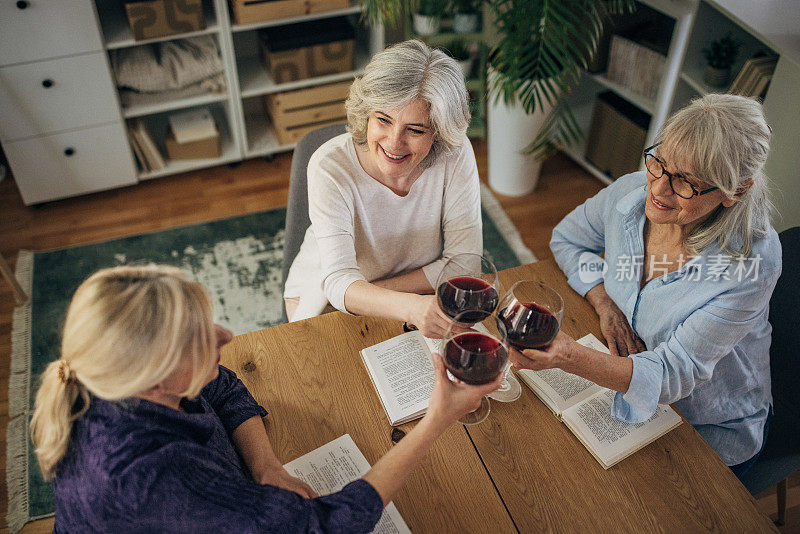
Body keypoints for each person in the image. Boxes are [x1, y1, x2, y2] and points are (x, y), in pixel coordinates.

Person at [30, 265, 501, 532]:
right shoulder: (152, 480)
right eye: (199, 337)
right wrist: (437, 419)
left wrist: (267, 468)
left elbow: (222, 383)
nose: (227, 334)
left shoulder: (107, 376)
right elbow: (327, 525)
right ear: (150, 377)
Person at [510, 94, 781, 478]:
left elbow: (673, 373)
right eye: (660, 163)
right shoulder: (632, 191)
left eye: (687, 182)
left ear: (735, 191)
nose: (657, 190)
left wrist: (566, 356)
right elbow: (568, 239)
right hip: (622, 379)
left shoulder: (752, 263)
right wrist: (604, 302)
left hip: (708, 427)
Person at [283, 39, 481, 338]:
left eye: (415, 129)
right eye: (383, 120)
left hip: (398, 296)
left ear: (439, 132)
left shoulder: (455, 154)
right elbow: (336, 283)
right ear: (367, 113)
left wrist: (372, 296)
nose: (393, 142)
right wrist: (406, 305)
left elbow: (465, 263)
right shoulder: (330, 166)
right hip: (322, 301)